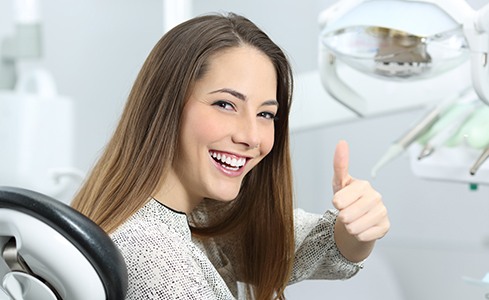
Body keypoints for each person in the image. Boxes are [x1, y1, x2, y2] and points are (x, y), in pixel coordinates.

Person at [71, 12, 390, 300]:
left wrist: (355, 230)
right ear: (166, 106)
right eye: (225, 104)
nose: (251, 136)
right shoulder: (157, 256)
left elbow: (278, 238)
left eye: (266, 114)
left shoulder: (197, 216)